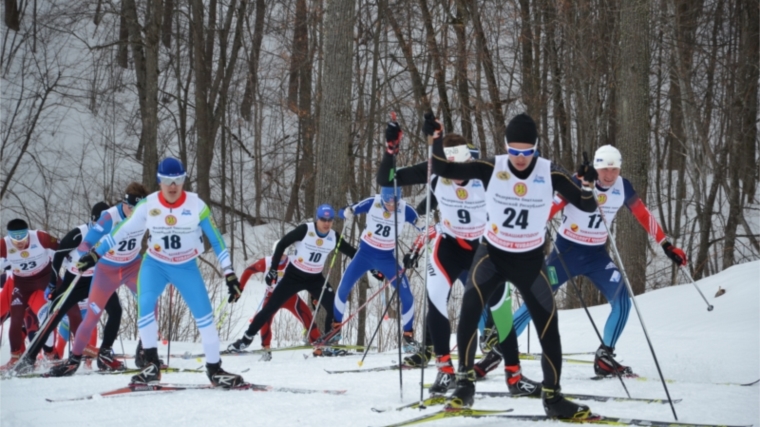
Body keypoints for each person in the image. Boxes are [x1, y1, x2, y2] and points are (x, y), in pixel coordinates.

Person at [430, 112, 599, 419]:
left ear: (536, 147)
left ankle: (554, 397)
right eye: (514, 151)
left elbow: (585, 203)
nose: (520, 158)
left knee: (549, 327)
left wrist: (589, 183)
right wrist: (436, 139)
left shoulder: (551, 173)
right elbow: (443, 167)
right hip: (491, 256)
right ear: (506, 146)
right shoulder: (491, 166)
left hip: (529, 261)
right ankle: (465, 385)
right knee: (469, 311)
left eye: (527, 151)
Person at [377, 120, 540, 396]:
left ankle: (514, 376)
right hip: (450, 246)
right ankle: (445, 370)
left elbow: (526, 180)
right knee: (435, 298)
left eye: (458, 169)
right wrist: (391, 150)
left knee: (500, 309)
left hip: (484, 248)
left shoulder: (483, 172)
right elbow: (386, 179)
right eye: (447, 170)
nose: (454, 177)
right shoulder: (434, 172)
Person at [507, 144, 688, 377]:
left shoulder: (623, 187)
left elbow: (643, 214)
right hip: (566, 254)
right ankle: (501, 347)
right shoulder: (577, 182)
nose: (610, 175)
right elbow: (549, 209)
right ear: (596, 167)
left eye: (614, 169)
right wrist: (524, 237)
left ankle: (605, 356)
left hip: (596, 257)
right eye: (605, 169)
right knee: (536, 300)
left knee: (623, 300)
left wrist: (666, 244)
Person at [77, 157, 245, 388]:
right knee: (145, 303)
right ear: (160, 181)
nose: (173, 186)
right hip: (155, 264)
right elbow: (121, 231)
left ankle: (214, 369)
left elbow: (216, 241)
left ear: (184, 180)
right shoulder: (148, 205)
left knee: (205, 316)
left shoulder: (197, 206)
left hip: (185, 266)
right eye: (167, 180)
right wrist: (96, 254)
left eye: (178, 180)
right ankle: (151, 365)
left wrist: (229, 273)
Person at [46, 183, 150, 376]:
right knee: (93, 315)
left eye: (138, 209)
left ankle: (144, 351)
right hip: (107, 269)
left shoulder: (147, 212)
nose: (133, 213)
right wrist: (89, 255)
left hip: (132, 266)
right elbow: (86, 243)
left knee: (149, 303)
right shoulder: (109, 217)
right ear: (124, 202)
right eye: (130, 208)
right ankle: (74, 360)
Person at [228, 205, 357, 357]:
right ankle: (245, 340)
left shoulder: (334, 237)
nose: (326, 223)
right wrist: (273, 269)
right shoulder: (305, 230)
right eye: (323, 219)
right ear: (317, 218)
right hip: (294, 276)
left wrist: (373, 264)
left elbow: (353, 253)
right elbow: (282, 244)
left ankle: (327, 343)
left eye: (330, 220)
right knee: (270, 307)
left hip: (315, 279)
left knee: (334, 307)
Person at [332, 186, 422, 352]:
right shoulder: (373, 202)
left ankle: (408, 337)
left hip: (387, 258)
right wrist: (346, 212)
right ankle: (335, 331)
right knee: (343, 288)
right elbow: (344, 210)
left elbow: (422, 225)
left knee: (407, 297)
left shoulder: (405, 209)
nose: (391, 206)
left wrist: (424, 231)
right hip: (364, 254)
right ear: (382, 198)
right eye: (387, 202)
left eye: (394, 202)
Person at [232, 247, 323, 361]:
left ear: (287, 254)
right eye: (277, 254)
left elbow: (309, 278)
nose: (280, 257)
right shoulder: (267, 262)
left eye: (283, 255)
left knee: (308, 317)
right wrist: (240, 288)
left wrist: (314, 296)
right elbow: (248, 270)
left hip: (290, 297)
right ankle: (266, 350)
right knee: (264, 321)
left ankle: (318, 348)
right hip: (272, 297)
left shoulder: (294, 261)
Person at [0, 219, 59, 370]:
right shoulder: (3, 246)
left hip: (38, 286)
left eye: (23, 238)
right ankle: (16, 357)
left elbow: (59, 250)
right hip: (17, 287)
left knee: (42, 320)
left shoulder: (39, 238)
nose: (19, 243)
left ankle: (49, 354)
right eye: (15, 240)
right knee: (16, 320)